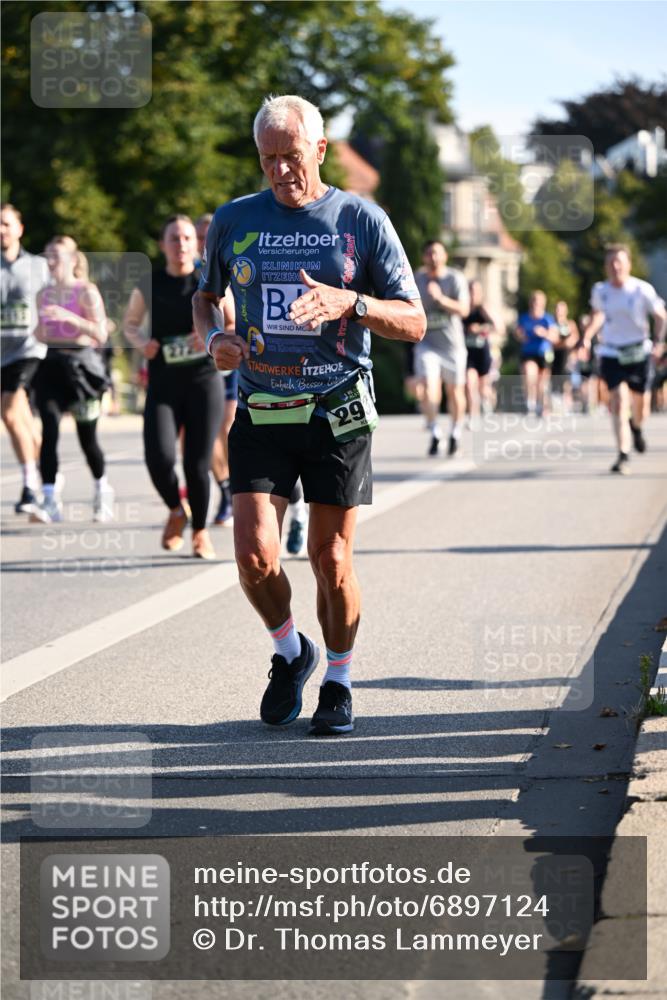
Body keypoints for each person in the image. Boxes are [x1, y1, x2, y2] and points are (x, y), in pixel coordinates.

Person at [193, 94, 425, 735]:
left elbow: (413, 319)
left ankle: (341, 681)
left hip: (337, 408)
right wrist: (215, 340)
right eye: (267, 159)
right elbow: (205, 296)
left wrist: (350, 303)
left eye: (290, 156)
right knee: (254, 556)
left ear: (319, 150)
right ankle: (292, 653)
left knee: (330, 559)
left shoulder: (362, 220)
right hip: (263, 405)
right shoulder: (234, 220)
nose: (279, 171)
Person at [123, 214, 223, 557]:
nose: (180, 244)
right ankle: (177, 511)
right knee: (159, 457)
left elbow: (234, 319)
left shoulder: (208, 280)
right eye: (173, 238)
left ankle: (200, 532)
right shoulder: (150, 283)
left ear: (195, 243)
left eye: (185, 238)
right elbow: (130, 325)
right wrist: (142, 343)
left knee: (197, 463)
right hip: (164, 383)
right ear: (162, 245)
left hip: (203, 381)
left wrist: (210, 334)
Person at [30, 236, 114, 523]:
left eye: (57, 256)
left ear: (73, 260)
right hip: (50, 366)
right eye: (48, 255)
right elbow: (40, 334)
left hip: (81, 369)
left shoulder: (86, 291)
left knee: (86, 439)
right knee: (49, 431)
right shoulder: (43, 294)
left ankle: (102, 490)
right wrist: (39, 330)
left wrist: (70, 318)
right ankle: (49, 498)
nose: (51, 261)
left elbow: (100, 333)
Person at [584, 244, 666, 474]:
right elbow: (597, 315)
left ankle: (637, 427)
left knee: (642, 407)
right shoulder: (600, 290)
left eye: (619, 261)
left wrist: (658, 343)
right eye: (610, 262)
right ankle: (623, 454)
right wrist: (587, 336)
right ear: (606, 266)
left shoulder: (641, 289)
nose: (615, 266)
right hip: (611, 352)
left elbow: (661, 316)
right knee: (618, 402)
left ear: (628, 264)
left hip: (639, 351)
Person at [1, 203, 49, 513]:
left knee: (8, 410)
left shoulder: (38, 266)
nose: (1, 230)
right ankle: (47, 476)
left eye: (6, 224)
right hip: (2, 352)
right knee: (21, 417)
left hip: (30, 349)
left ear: (19, 228)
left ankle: (31, 486)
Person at [414, 240, 469, 457]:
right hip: (427, 344)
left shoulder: (454, 278)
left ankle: (455, 432)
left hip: (453, 346)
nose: (433, 258)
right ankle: (435, 431)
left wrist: (441, 299)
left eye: (437, 253)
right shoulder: (417, 279)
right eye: (429, 254)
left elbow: (464, 309)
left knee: (455, 391)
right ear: (424, 258)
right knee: (428, 386)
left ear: (445, 256)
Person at [515, 290, 557, 416]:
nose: (535, 305)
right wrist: (520, 336)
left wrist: (543, 333)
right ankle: (530, 402)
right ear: (530, 303)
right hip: (528, 353)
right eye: (533, 302)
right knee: (529, 373)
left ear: (543, 304)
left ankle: (541, 405)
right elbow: (517, 332)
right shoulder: (524, 318)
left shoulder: (547, 319)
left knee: (542, 382)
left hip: (544, 353)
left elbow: (555, 337)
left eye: (538, 302)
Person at [463, 279, 494, 424]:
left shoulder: (483, 309)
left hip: (482, 352)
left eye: (475, 292)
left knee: (483, 387)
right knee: (469, 384)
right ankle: (473, 416)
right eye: (470, 291)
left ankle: (488, 403)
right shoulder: (463, 309)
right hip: (467, 353)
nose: (472, 295)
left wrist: (480, 329)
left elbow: (498, 327)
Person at [550, 300, 578, 413]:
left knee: (566, 379)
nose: (558, 311)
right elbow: (552, 340)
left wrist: (564, 343)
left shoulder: (570, 324)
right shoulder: (552, 324)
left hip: (566, 356)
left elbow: (573, 339)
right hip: (554, 356)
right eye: (557, 309)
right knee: (553, 378)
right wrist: (562, 343)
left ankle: (566, 403)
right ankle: (554, 403)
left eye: (561, 309)